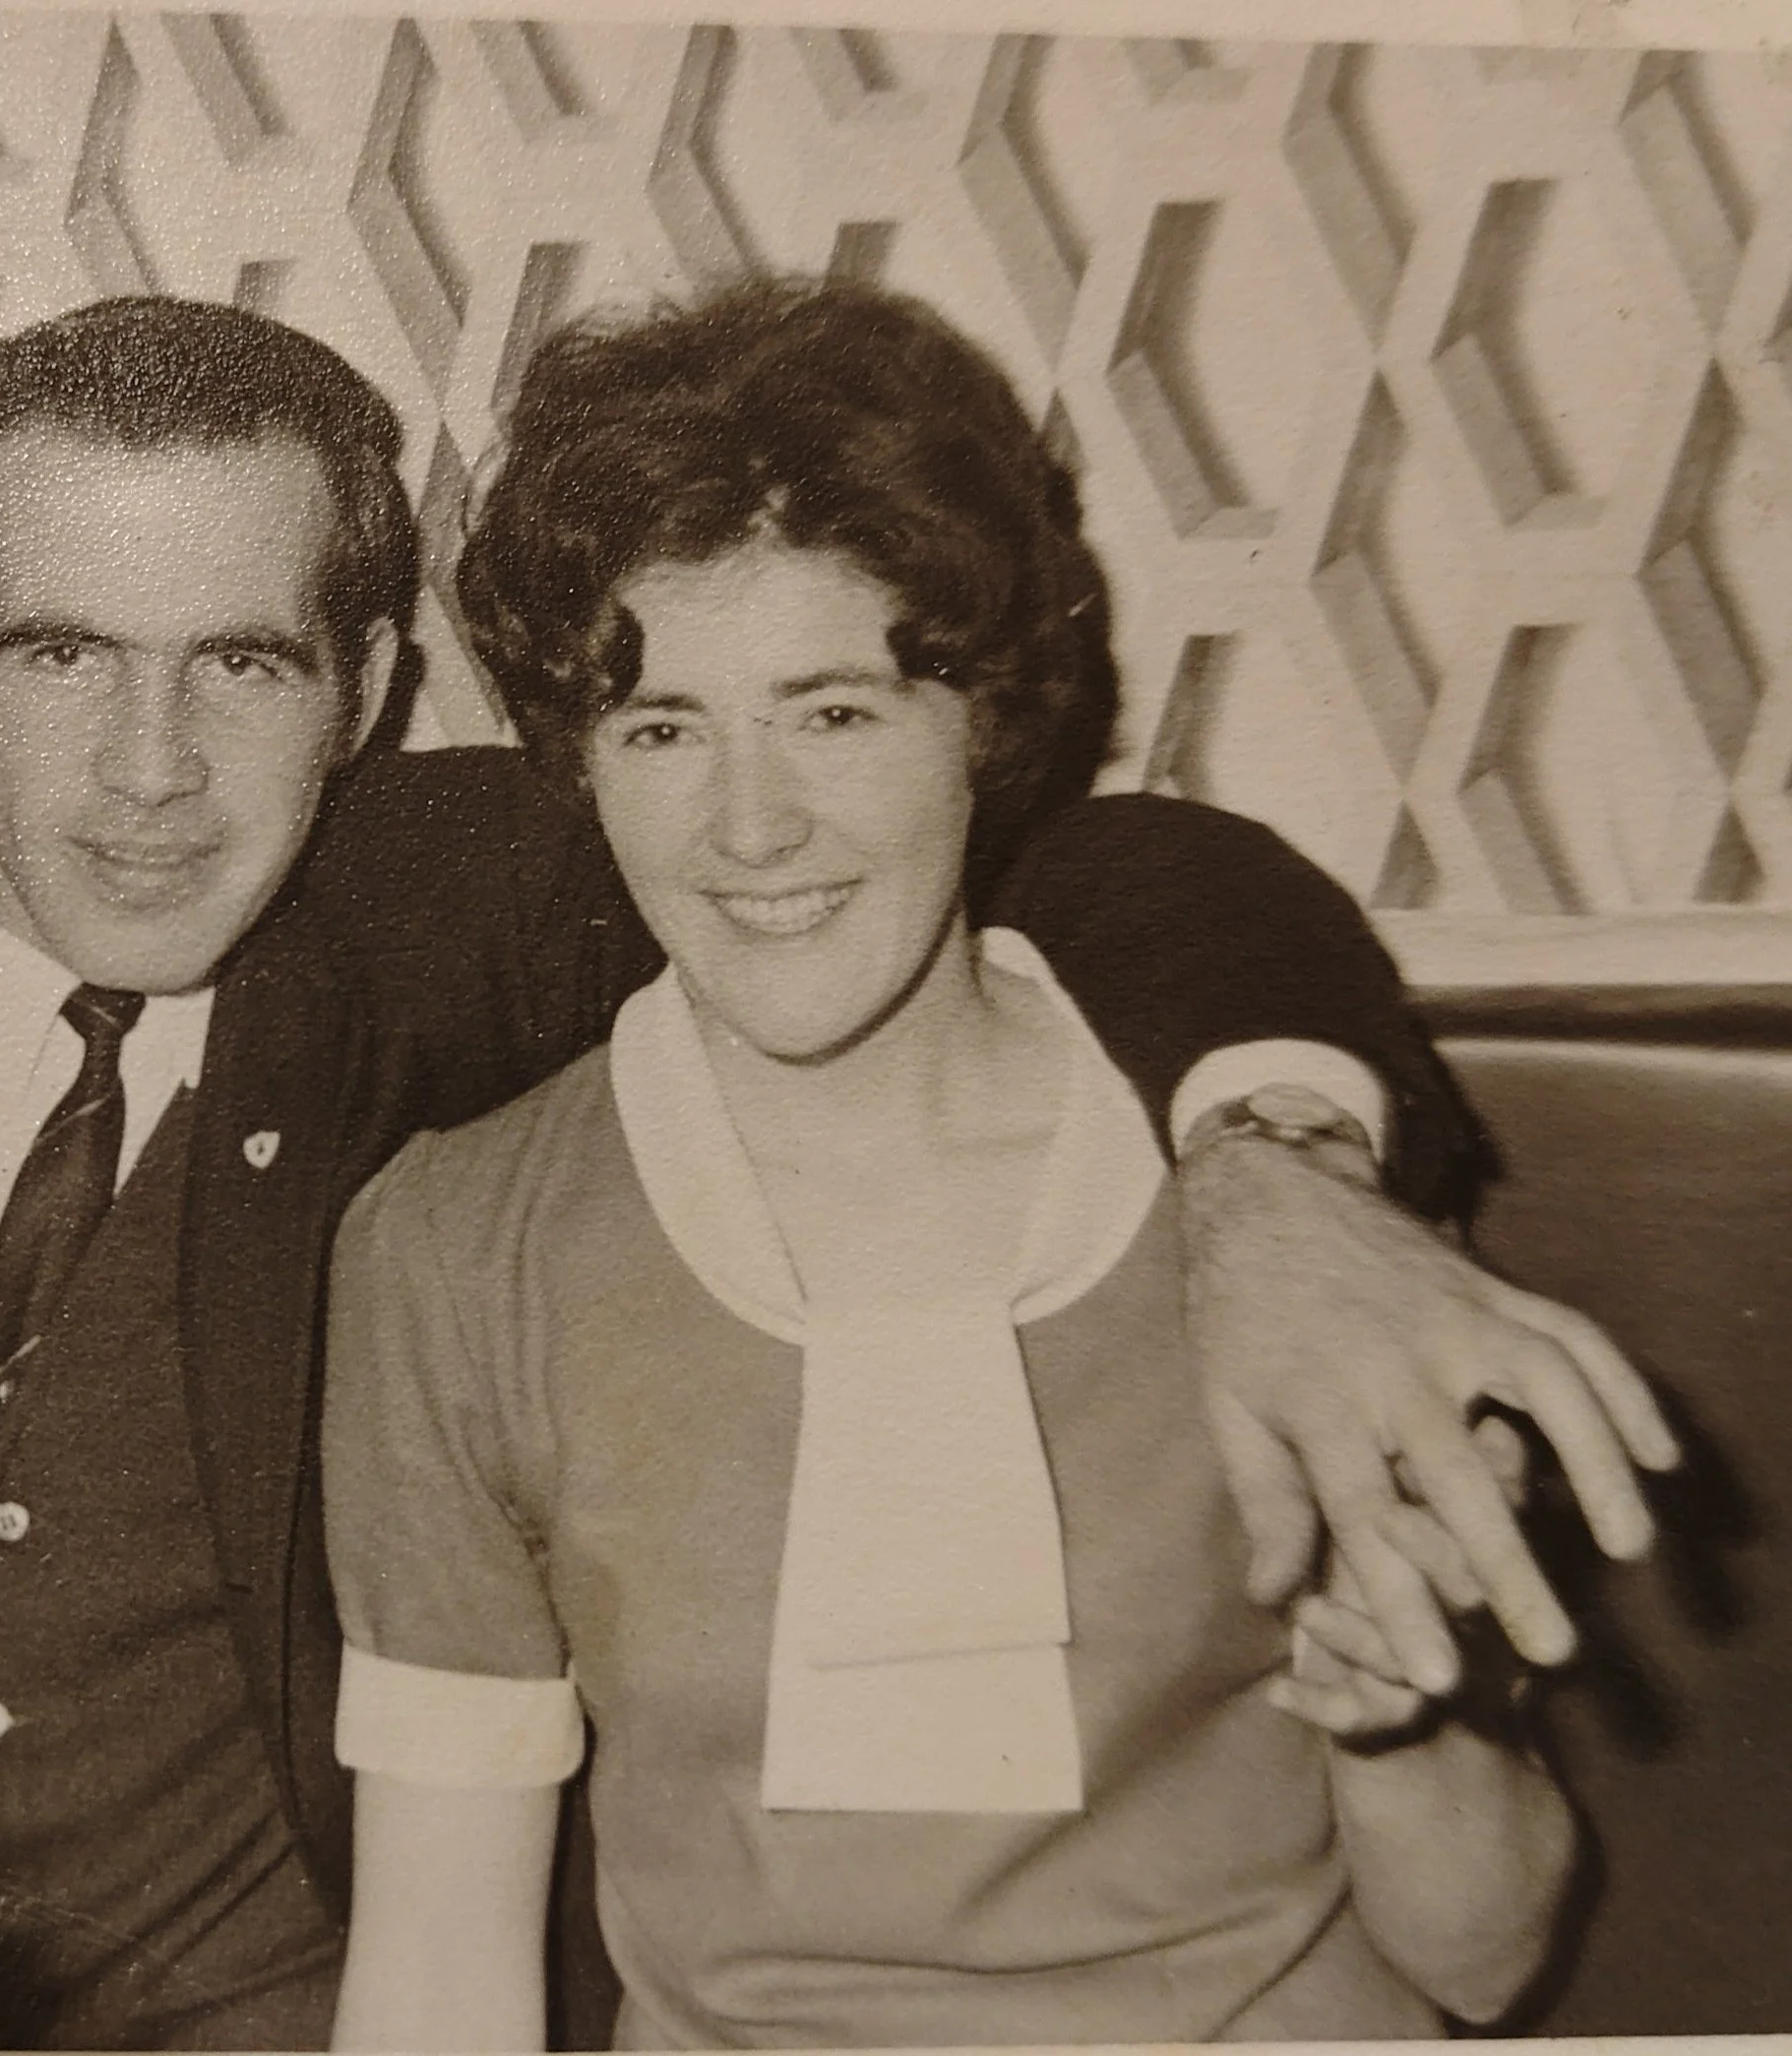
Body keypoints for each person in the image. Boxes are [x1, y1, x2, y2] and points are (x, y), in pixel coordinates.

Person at [0, 294, 1655, 2050]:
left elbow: (1078, 858)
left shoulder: (482, 902)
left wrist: (1273, 1166)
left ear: (365, 688)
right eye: (58, 654)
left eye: (241, 665)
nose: (150, 775)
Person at [324, 280, 1585, 2048]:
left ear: (978, 723)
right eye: (665, 727)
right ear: (585, 764)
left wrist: (1406, 1719)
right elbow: (439, 1977)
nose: (750, 826)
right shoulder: (456, 1251)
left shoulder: (1278, 1209)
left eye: (834, 713)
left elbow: (1483, 1958)